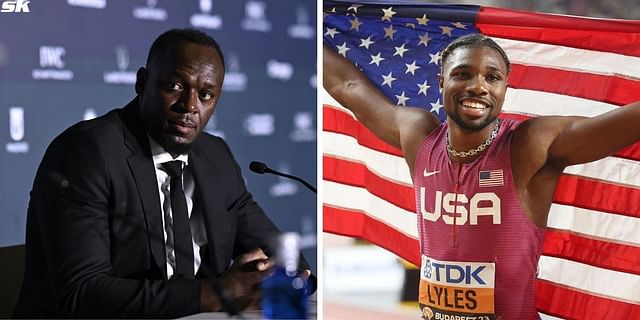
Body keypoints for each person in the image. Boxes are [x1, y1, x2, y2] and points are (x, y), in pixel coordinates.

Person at [323, 33, 640, 320]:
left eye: (492, 78)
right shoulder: (417, 135)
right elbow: (348, 87)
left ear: (504, 89)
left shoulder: (529, 145)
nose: (478, 86)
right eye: (462, 74)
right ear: (441, 82)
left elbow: (620, 125)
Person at [14, 28, 313, 318]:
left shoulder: (215, 157)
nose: (190, 106)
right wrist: (215, 294)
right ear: (142, 83)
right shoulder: (86, 152)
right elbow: (81, 293)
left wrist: (271, 277)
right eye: (175, 86)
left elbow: (289, 259)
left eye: (206, 95)